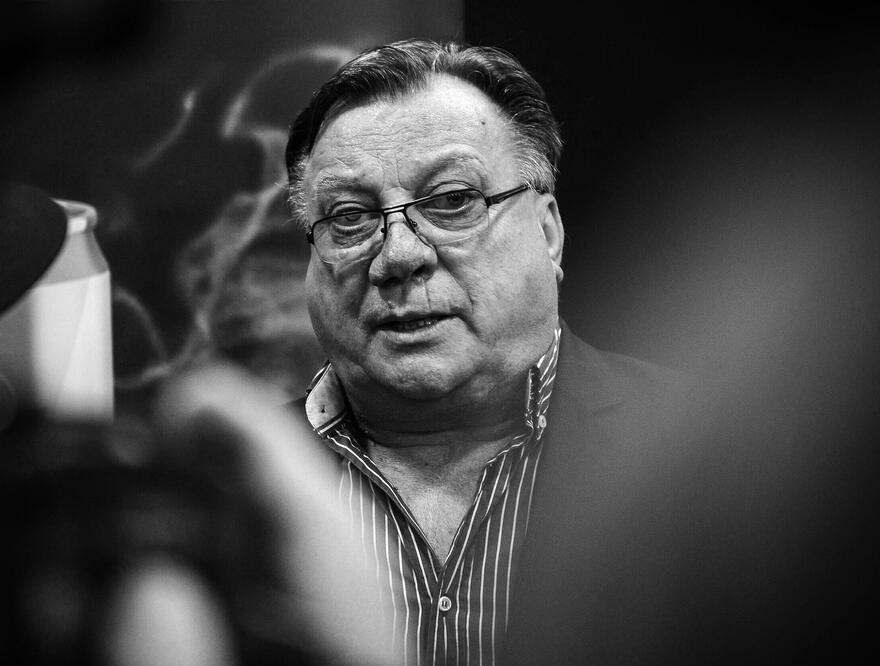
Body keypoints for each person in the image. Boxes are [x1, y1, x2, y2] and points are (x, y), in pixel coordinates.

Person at [283, 39, 708, 664]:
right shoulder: (233, 493)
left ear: (548, 232)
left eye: (452, 201)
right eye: (349, 217)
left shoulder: (715, 456)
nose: (399, 255)